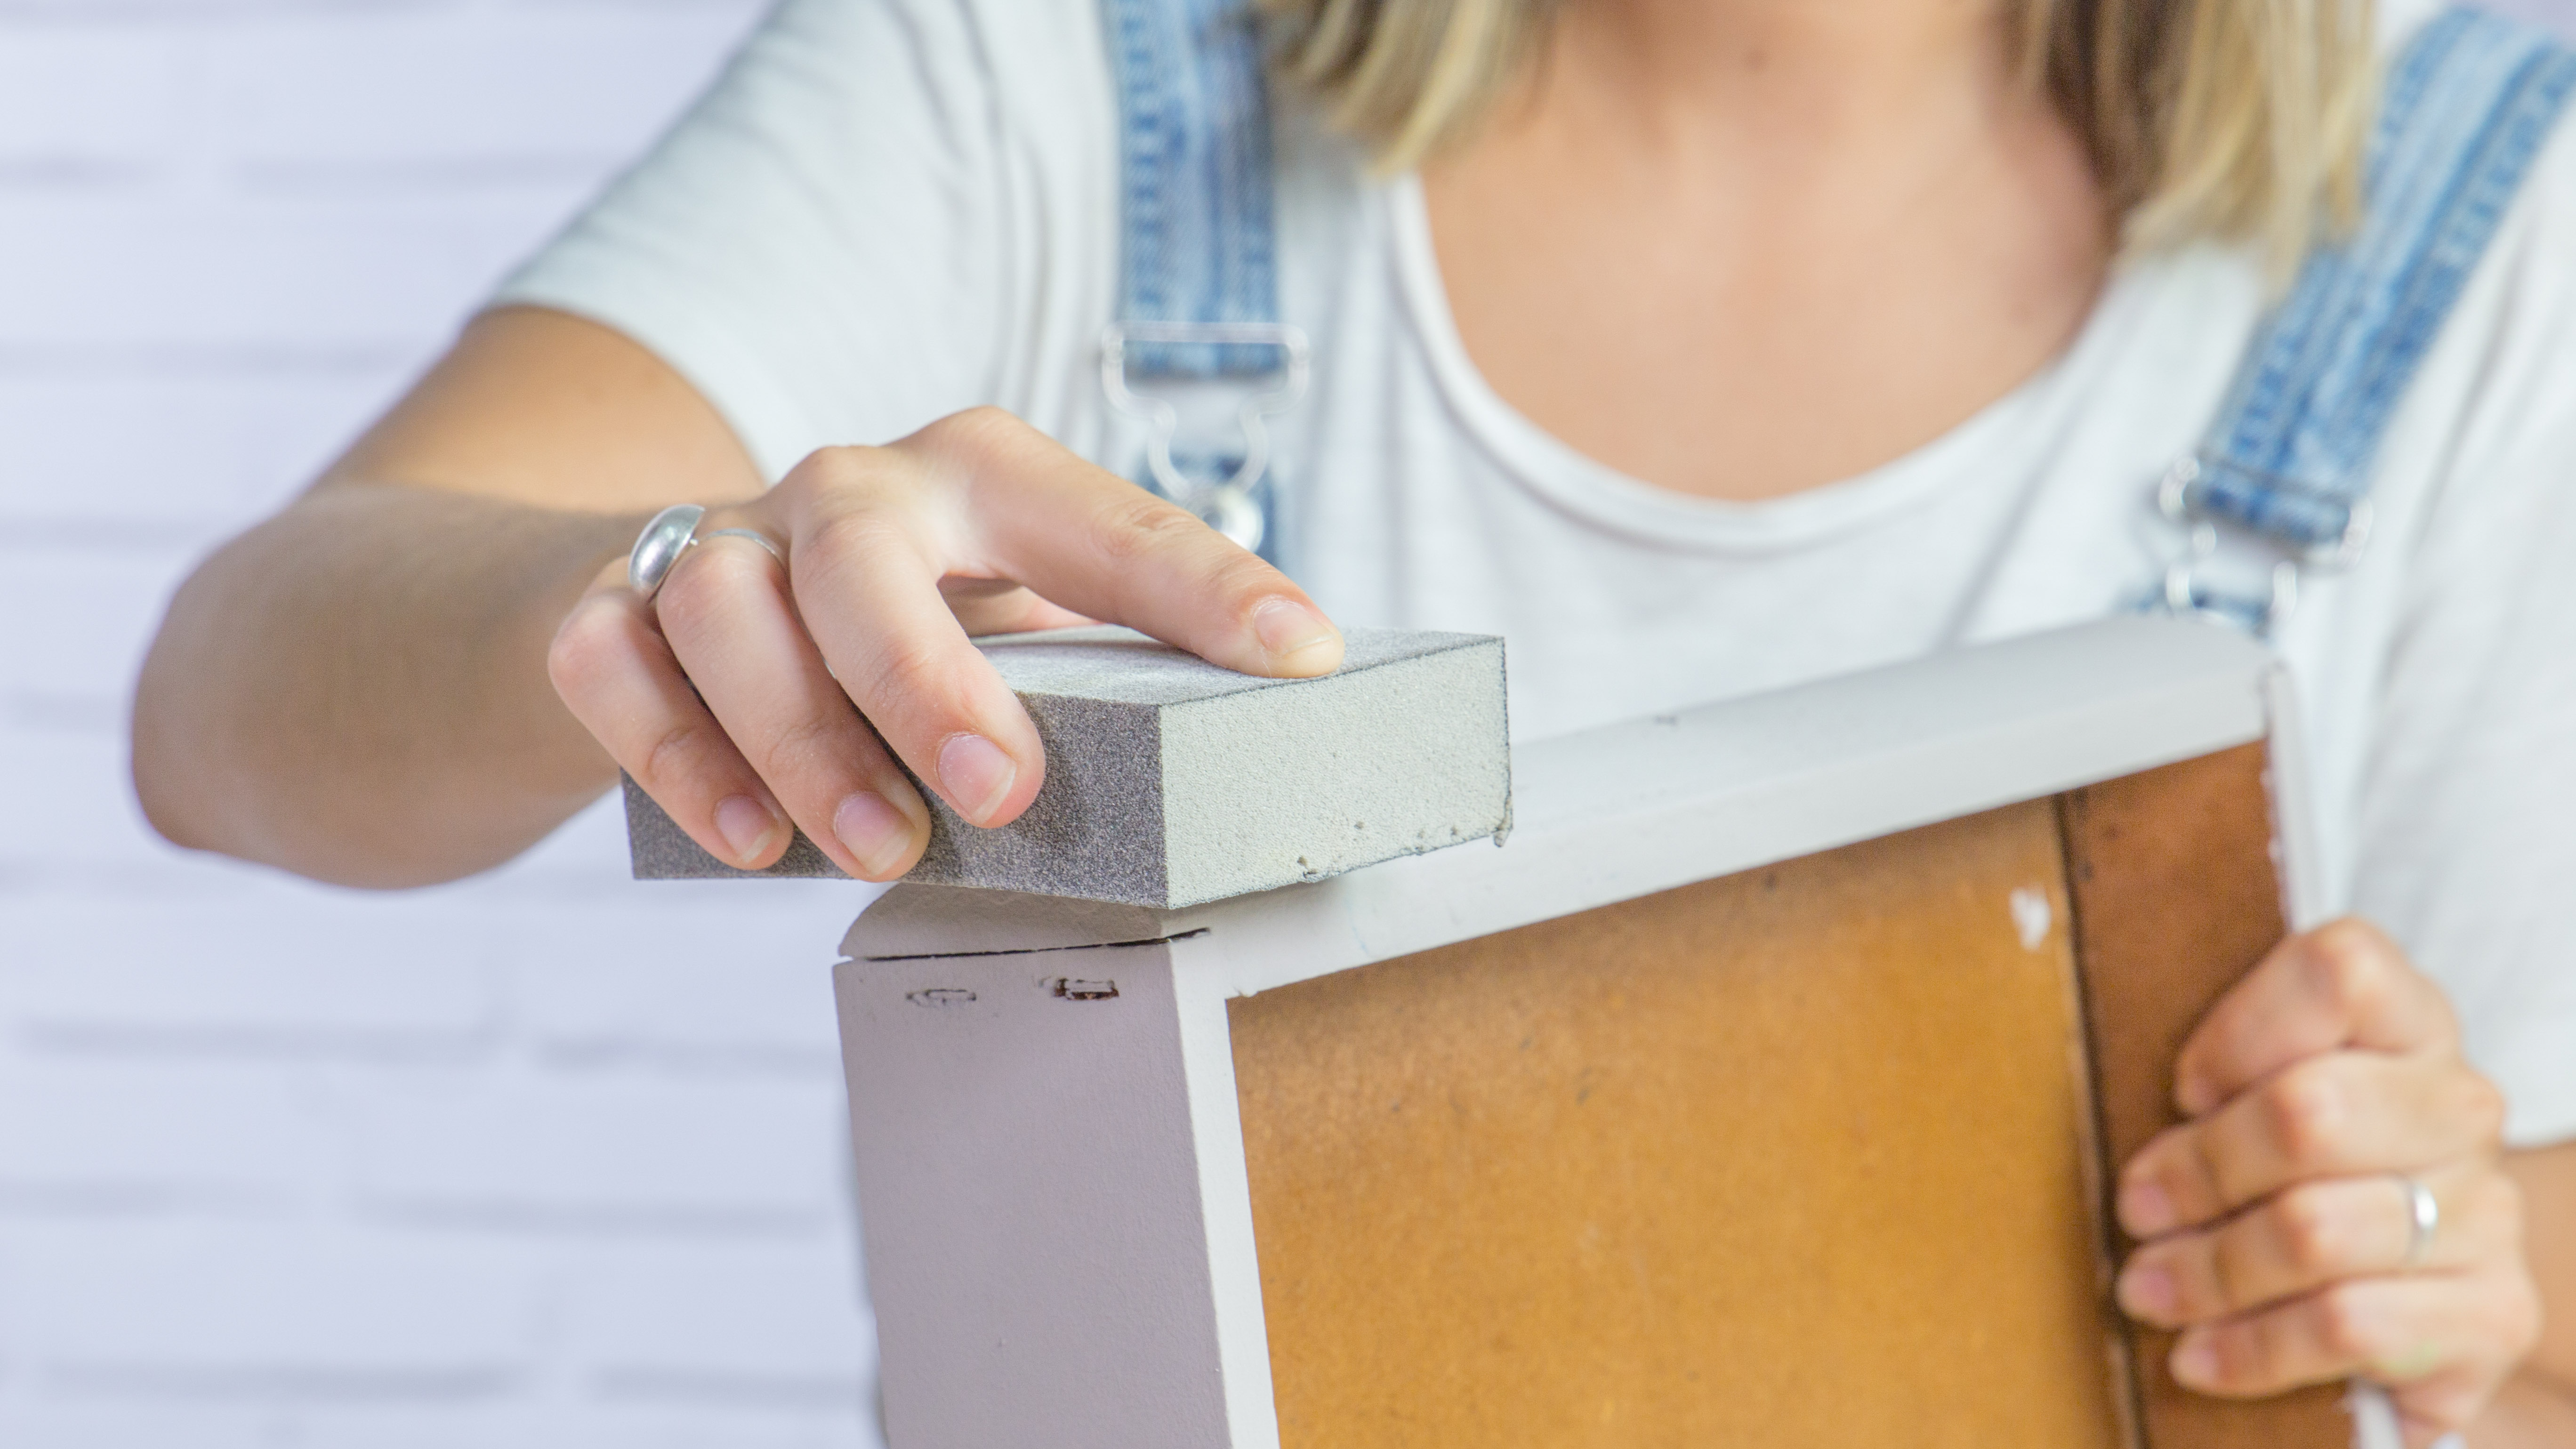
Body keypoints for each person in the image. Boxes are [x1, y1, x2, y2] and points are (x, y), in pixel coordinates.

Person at [131, 0, 2575, 1441]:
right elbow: (235, 691)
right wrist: (659, 595)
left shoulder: (2487, 201)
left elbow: (2526, 1286)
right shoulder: (1059, 80)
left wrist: (2453, 1285)